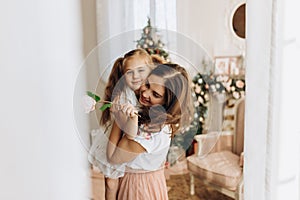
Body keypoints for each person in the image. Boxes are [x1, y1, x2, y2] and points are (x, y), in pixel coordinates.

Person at [107, 63, 194, 200]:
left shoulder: (152, 132)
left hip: (138, 187)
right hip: (147, 180)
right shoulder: (149, 112)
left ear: (168, 103)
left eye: (155, 94)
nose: (145, 93)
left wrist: (118, 120)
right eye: (147, 84)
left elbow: (113, 158)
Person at [88, 48, 165, 200]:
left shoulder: (149, 93)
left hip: (126, 139)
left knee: (118, 180)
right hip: (115, 139)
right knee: (111, 182)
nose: (135, 76)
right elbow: (130, 134)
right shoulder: (125, 96)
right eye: (129, 72)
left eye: (140, 70)